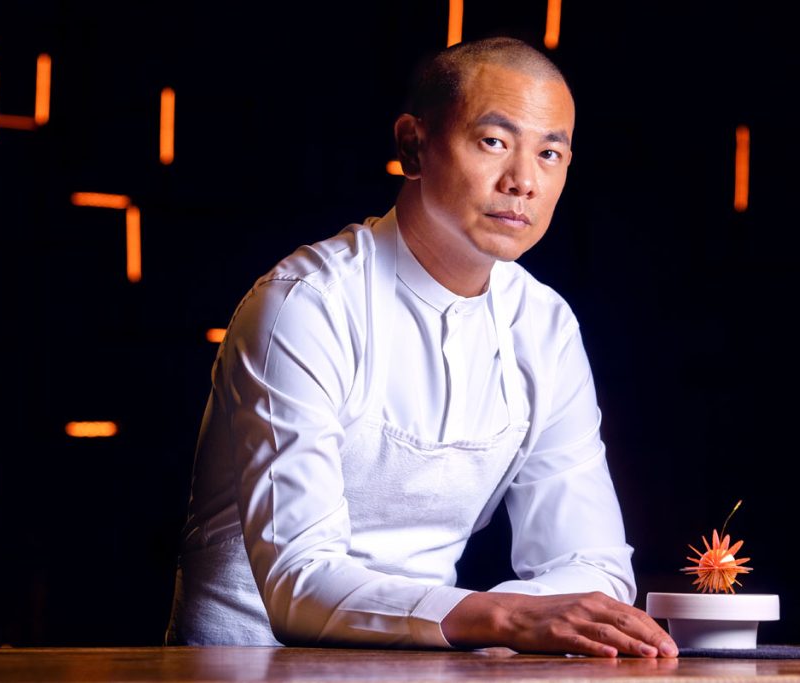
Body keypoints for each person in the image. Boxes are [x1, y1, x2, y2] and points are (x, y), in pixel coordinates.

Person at [165, 35, 677, 658]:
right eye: (494, 142)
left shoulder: (544, 326)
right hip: (241, 661)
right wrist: (505, 619)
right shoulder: (306, 305)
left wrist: (513, 624)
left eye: (549, 154)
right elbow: (298, 580)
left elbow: (593, 564)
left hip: (425, 664)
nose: (523, 181)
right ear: (413, 145)